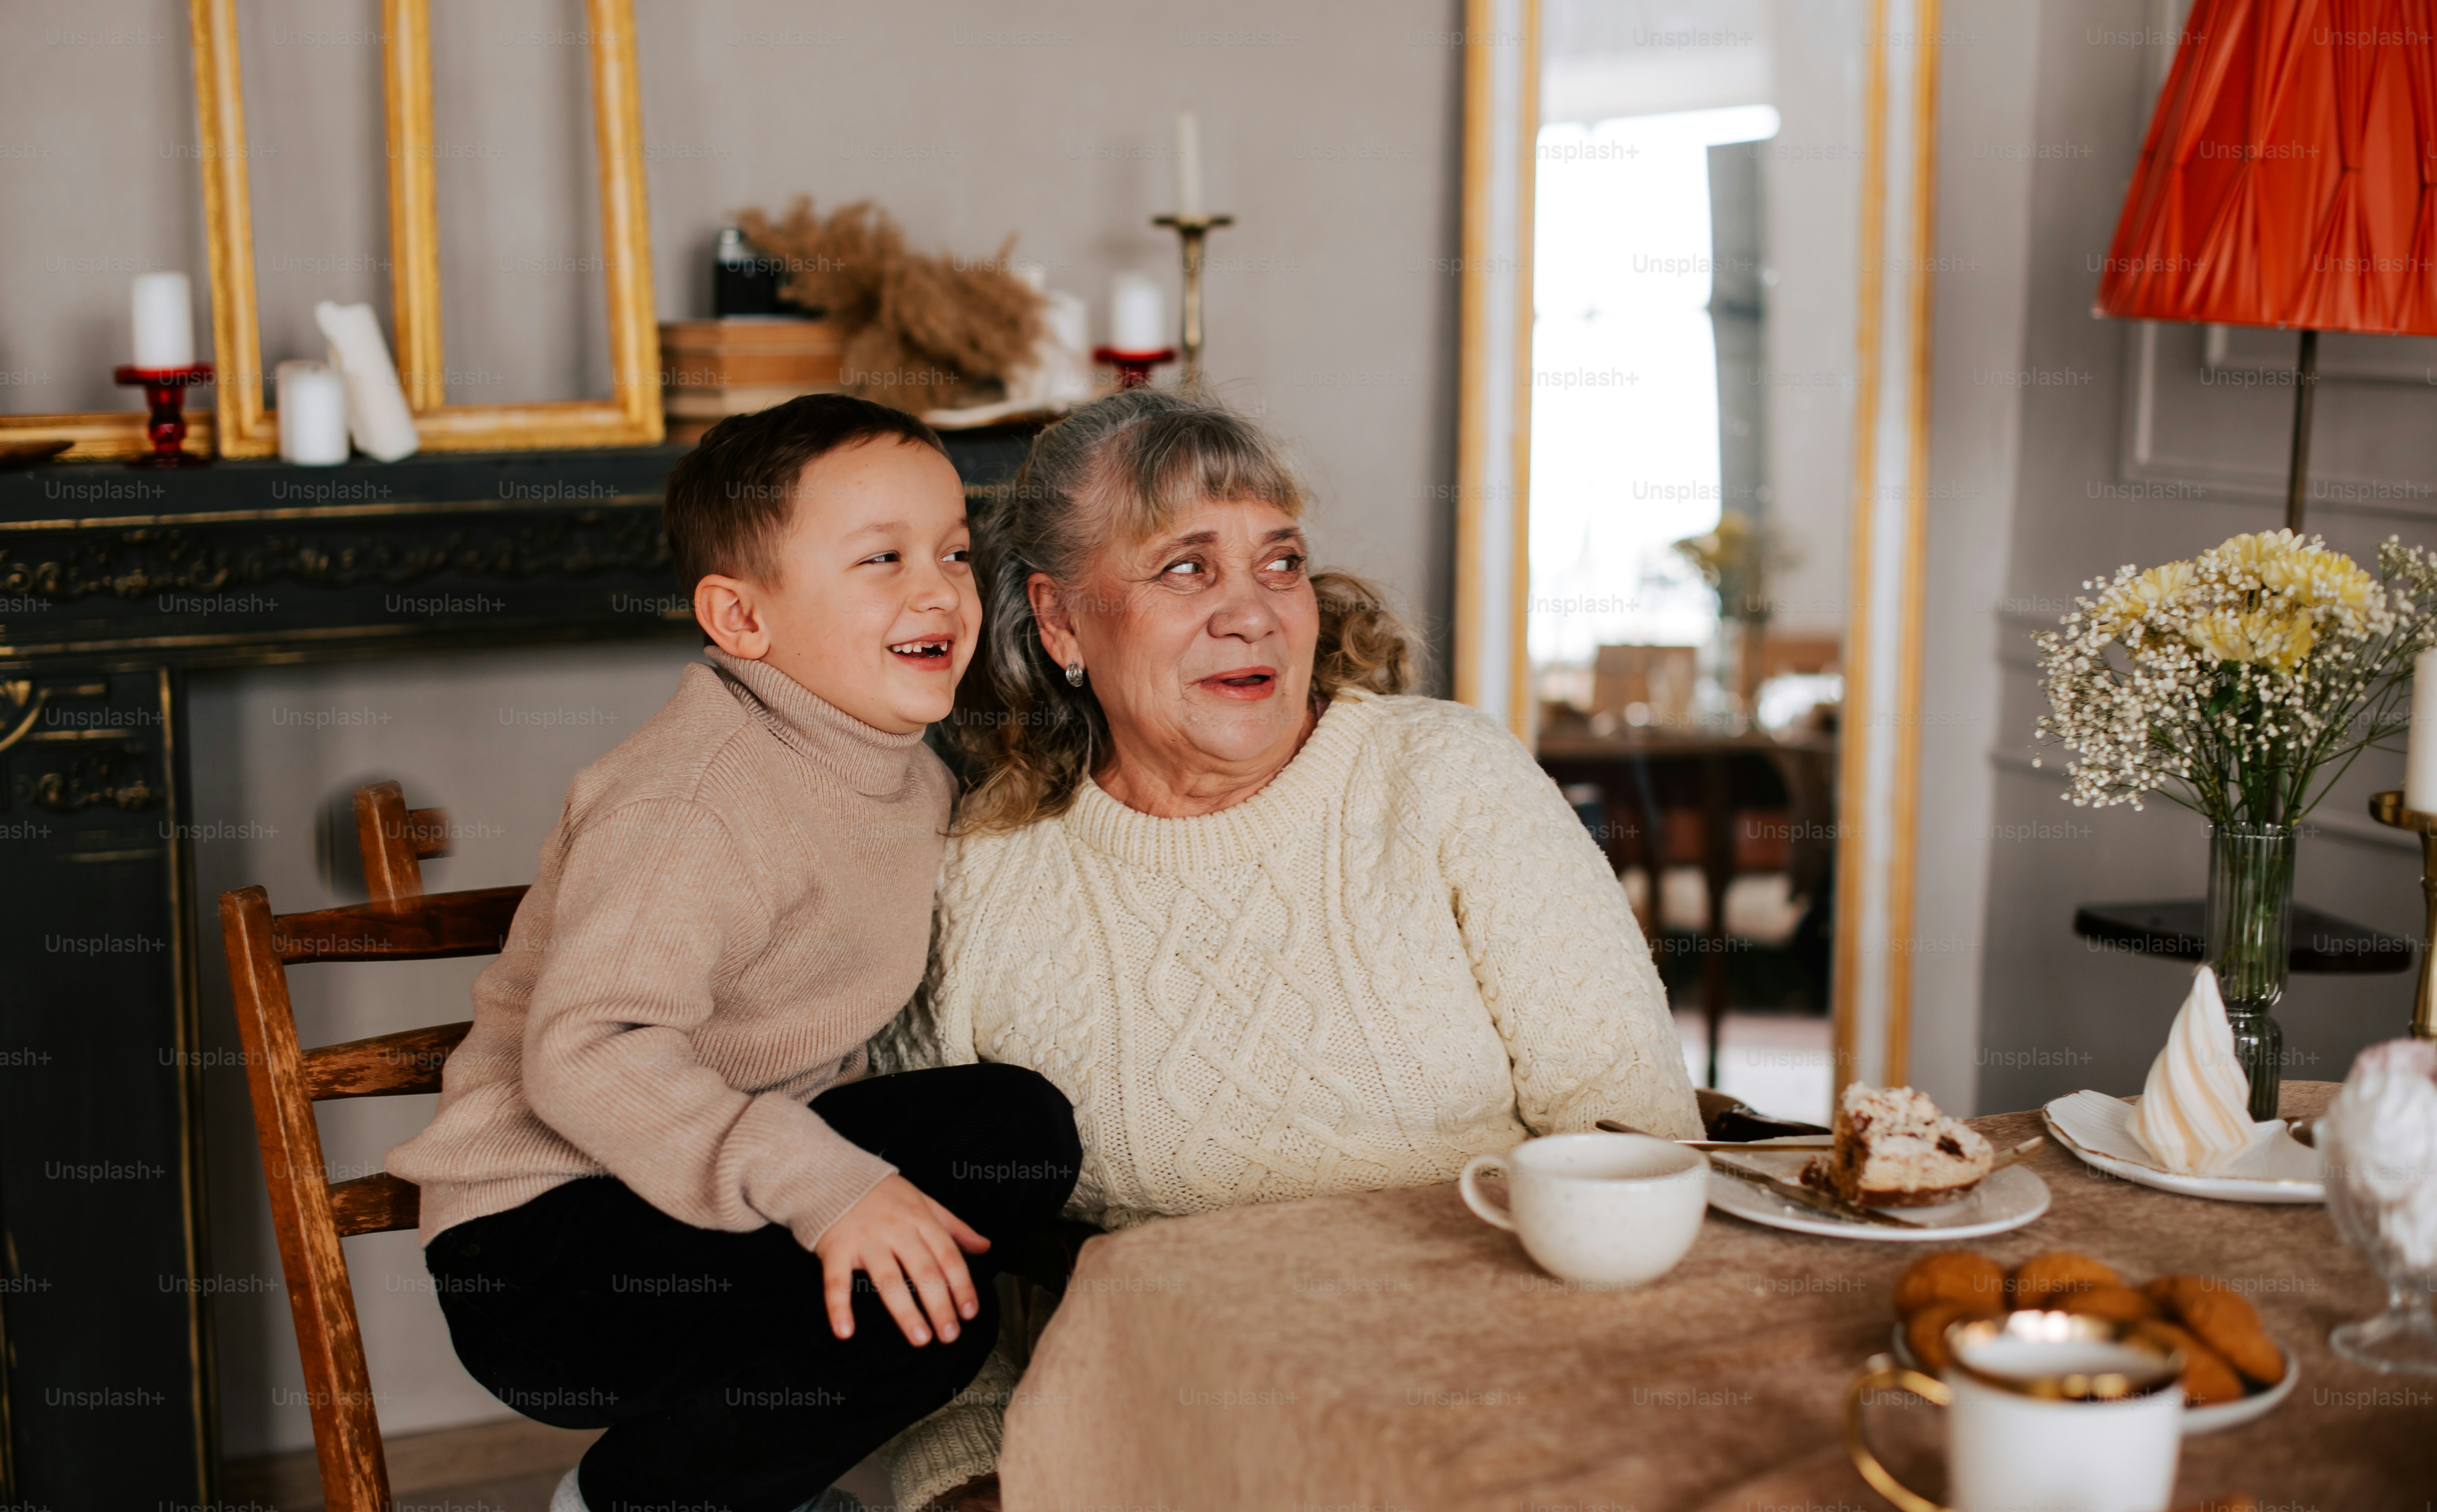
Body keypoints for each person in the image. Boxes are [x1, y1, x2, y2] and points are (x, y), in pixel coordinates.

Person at [881, 390, 1701, 1508]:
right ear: (1061, 620)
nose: (1253, 614)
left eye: (1280, 563)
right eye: (1184, 569)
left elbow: (1636, 1139)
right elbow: (912, 1245)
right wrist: (964, 1478)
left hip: (1522, 1414)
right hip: (1176, 1444)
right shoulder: (983, 875)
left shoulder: (1447, 778)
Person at [385, 395, 1081, 1512]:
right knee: (940, 1232)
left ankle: (676, 1493)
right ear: (742, 619)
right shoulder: (697, 795)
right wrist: (827, 1184)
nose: (938, 587)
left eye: (955, 548)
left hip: (697, 1200)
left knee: (971, 1223)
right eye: (880, 558)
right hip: (546, 1256)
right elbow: (586, 1052)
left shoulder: (904, 768)